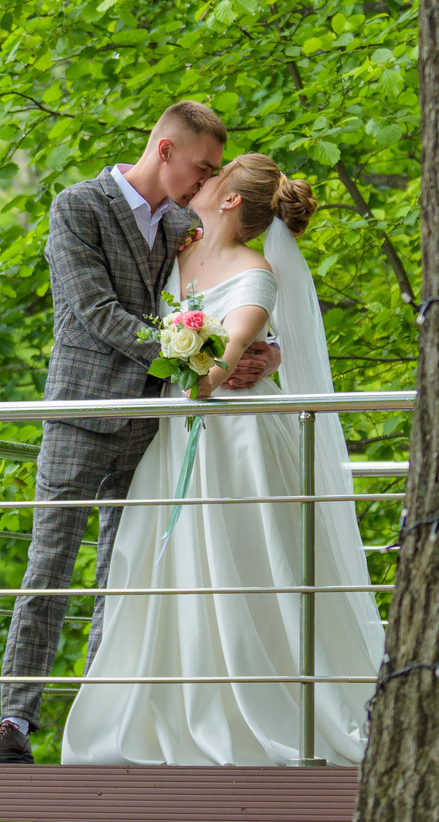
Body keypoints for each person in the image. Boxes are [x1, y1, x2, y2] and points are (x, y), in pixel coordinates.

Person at [0, 102, 276, 765]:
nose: (208, 180)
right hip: (79, 414)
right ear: (164, 149)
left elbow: (229, 286)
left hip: (151, 425)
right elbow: (96, 311)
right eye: (202, 166)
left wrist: (264, 350)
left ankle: (97, 724)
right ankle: (14, 720)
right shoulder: (79, 207)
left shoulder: (185, 226)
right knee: (49, 566)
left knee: (121, 574)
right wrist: (196, 351)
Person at [55, 153, 385, 765]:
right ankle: (178, 704)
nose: (202, 181)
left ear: (232, 199)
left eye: (215, 175)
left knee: (250, 559)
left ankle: (267, 704)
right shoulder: (178, 243)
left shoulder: (257, 273)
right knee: (170, 565)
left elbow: (231, 348)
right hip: (174, 433)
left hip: (238, 440)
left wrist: (222, 363)